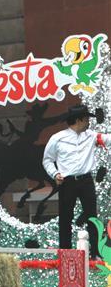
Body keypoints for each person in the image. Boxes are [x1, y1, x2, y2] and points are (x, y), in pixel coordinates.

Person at [42, 104, 105, 257]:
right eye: (86, 119)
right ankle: (66, 253)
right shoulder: (57, 138)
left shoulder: (91, 136)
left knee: (92, 217)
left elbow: (107, 139)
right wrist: (55, 173)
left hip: (86, 181)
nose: (89, 122)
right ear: (79, 120)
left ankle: (95, 253)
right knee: (65, 217)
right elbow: (47, 160)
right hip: (67, 182)